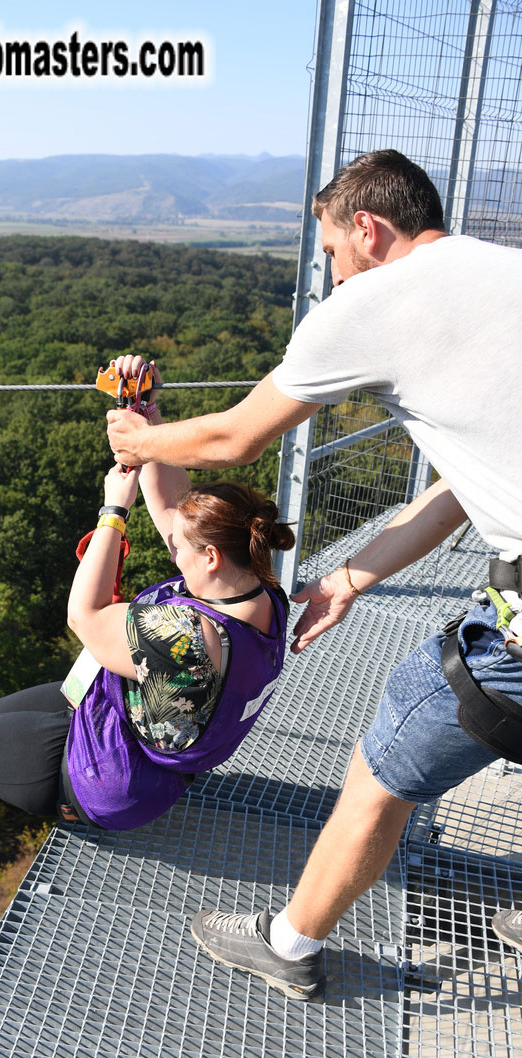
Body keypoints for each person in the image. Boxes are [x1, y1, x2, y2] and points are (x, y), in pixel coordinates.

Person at [106, 149, 522, 999]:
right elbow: (464, 486)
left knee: (388, 759)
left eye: (329, 250)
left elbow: (234, 439)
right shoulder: (502, 275)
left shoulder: (377, 297)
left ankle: (290, 945)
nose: (330, 274)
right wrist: (350, 579)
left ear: (366, 229)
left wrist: (138, 442)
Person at [0, 400, 296, 885]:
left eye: (178, 547)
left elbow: (85, 615)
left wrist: (113, 512)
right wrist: (146, 426)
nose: (170, 546)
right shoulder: (261, 594)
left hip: (110, 778)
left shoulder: (188, 641)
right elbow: (171, 506)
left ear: (209, 556)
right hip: (127, 720)